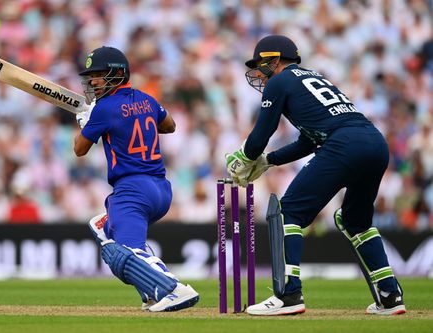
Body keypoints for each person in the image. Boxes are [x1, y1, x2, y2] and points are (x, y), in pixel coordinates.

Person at [225, 35, 406, 316]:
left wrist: (245, 157)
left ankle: (289, 295)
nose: (259, 72)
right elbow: (308, 142)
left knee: (289, 212)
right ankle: (390, 295)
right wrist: (268, 161)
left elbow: (262, 133)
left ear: (275, 59)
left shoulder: (279, 81)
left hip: (344, 144)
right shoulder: (312, 78)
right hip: (375, 143)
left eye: (261, 64)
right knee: (355, 222)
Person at [73, 46, 199, 312]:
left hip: (132, 190)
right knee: (104, 231)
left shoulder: (104, 108)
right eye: (91, 76)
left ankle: (174, 289)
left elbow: (79, 149)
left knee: (124, 254)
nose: (93, 81)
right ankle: (150, 292)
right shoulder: (148, 100)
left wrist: (86, 123)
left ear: (118, 74)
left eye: (99, 75)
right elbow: (170, 126)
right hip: (161, 190)